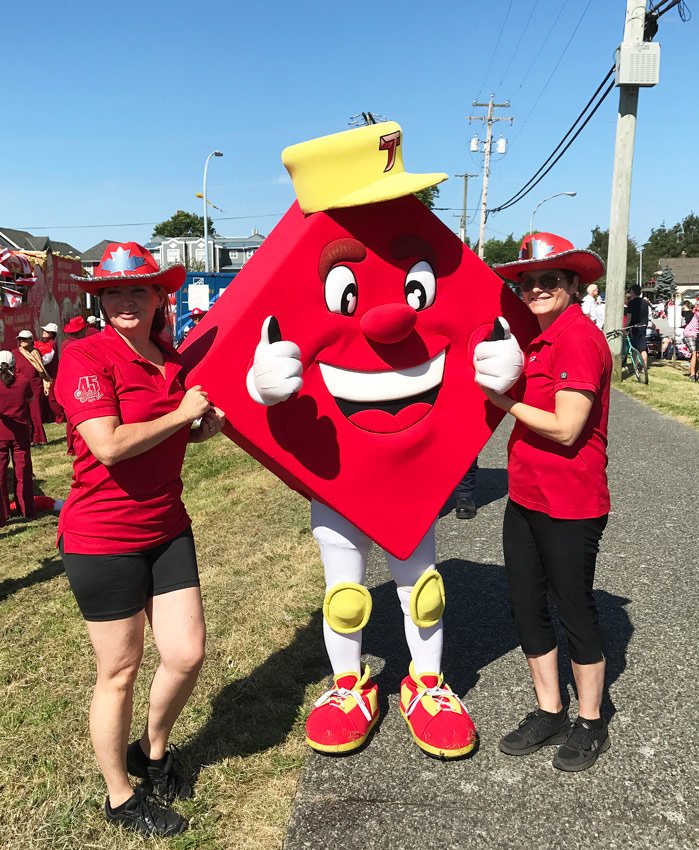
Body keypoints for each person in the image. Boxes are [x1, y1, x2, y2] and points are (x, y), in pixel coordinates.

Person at [55, 241, 225, 837]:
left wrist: (201, 427)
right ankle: (120, 798)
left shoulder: (167, 356)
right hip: (103, 537)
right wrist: (183, 415)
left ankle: (152, 752)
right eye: (113, 292)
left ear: (159, 297)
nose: (126, 301)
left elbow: (170, 438)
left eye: (138, 290)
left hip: (167, 526)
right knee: (120, 671)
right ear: (100, 300)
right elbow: (108, 445)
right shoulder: (85, 356)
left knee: (185, 654)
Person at [475, 231, 612, 772]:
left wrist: (503, 402)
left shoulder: (577, 339)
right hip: (526, 496)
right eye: (528, 283)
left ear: (573, 285)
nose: (536, 290)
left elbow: (566, 428)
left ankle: (591, 721)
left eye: (549, 280)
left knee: (574, 609)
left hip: (572, 501)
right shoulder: (537, 339)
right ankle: (549, 710)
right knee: (527, 606)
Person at [0, 350, 34, 526]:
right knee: (23, 473)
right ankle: (26, 509)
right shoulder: (23, 382)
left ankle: (3, 513)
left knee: (1, 475)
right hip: (20, 433)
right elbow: (29, 401)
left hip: (1, 434)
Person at [12, 330, 49, 445]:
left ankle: (37, 439)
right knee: (24, 415)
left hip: (35, 387)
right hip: (21, 388)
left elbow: (41, 370)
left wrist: (44, 384)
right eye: (20, 339)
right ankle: (26, 438)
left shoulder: (36, 352)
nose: (21, 341)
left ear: (31, 340)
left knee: (36, 414)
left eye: (24, 338)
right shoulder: (15, 353)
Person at [36, 322, 64, 424]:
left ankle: (60, 418)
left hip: (51, 376)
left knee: (52, 398)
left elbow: (47, 359)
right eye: (44, 331)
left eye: (46, 331)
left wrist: (36, 361)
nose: (43, 332)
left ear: (51, 334)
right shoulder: (43, 343)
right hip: (46, 375)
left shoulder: (51, 344)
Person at [625, 284, 649, 371]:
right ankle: (644, 366)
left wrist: (625, 327)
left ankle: (635, 366)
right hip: (643, 326)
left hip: (634, 328)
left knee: (634, 348)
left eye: (630, 291)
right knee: (643, 349)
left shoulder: (631, 303)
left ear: (633, 292)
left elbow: (629, 318)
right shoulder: (645, 303)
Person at [682, 305, 699, 381]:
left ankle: (696, 373)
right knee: (694, 354)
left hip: (695, 334)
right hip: (689, 333)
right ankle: (692, 375)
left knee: (697, 355)